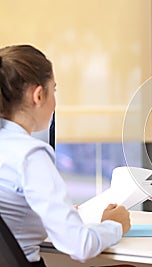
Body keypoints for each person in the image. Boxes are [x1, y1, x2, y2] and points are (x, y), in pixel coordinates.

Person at [0, 45, 131, 266]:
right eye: (55, 90)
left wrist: (64, 216)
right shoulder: (30, 155)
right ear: (38, 95)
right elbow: (79, 246)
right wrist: (115, 224)